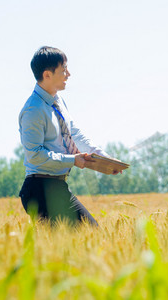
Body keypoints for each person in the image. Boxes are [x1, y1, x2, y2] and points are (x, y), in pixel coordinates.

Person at [18, 46, 118, 226]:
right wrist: (72, 160)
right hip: (39, 189)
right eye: (63, 69)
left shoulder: (58, 101)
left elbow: (74, 133)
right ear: (47, 75)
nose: (68, 74)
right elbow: (35, 155)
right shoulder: (33, 110)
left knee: (90, 236)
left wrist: (103, 158)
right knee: (84, 238)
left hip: (57, 187)